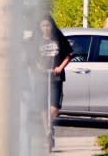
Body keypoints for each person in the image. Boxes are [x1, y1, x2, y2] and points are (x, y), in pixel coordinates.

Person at [35, 15, 73, 151]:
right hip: (41, 76)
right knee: (42, 106)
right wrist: (37, 66)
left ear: (52, 26)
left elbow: (69, 55)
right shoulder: (36, 40)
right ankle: (47, 133)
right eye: (43, 26)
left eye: (48, 25)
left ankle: (47, 125)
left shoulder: (59, 39)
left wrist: (60, 68)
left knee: (55, 106)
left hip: (56, 76)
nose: (45, 28)